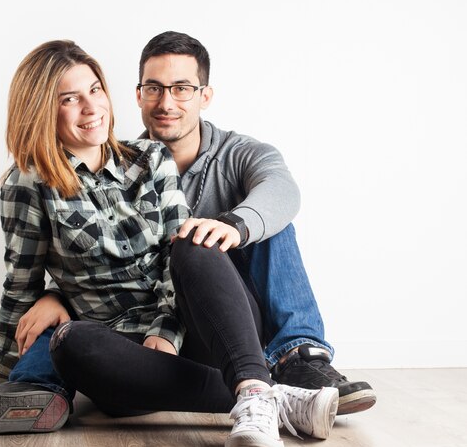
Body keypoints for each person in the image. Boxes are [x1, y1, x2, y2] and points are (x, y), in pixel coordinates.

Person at [0, 39, 338, 447]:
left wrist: (165, 332)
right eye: (70, 98)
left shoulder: (152, 158)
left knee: (194, 240)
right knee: (71, 343)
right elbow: (19, 289)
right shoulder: (27, 185)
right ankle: (273, 398)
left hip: (196, 334)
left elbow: (176, 262)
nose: (90, 107)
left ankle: (271, 375)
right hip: (123, 360)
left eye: (95, 90)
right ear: (43, 108)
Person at [135, 31, 376, 415]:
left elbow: (282, 190)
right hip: (168, 332)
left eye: (182, 88)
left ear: (205, 96)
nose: (166, 102)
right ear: (139, 94)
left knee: (270, 221)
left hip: (248, 322)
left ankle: (300, 357)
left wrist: (235, 225)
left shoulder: (238, 153)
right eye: (154, 88)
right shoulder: (118, 170)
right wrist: (54, 294)